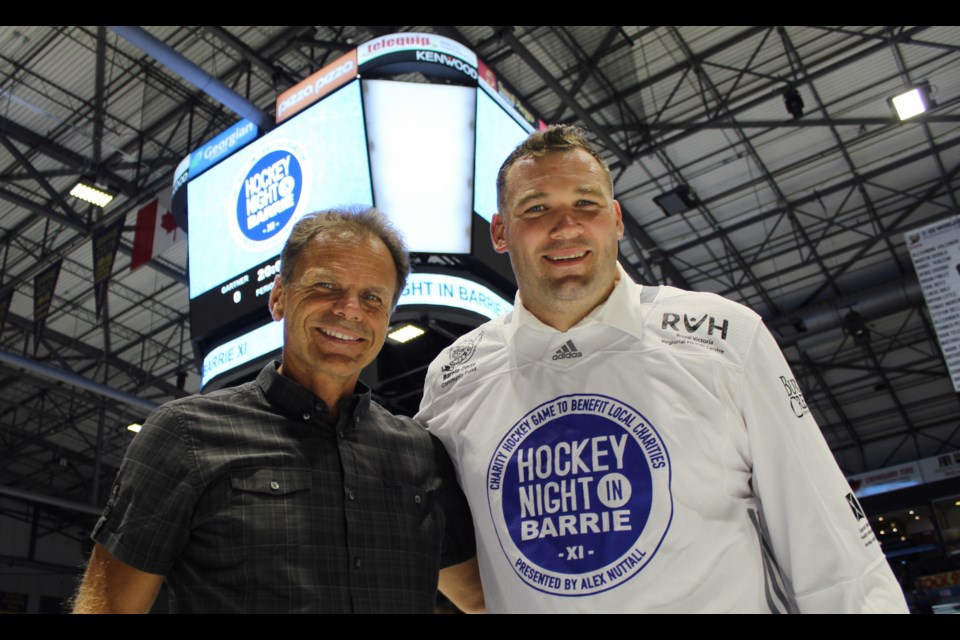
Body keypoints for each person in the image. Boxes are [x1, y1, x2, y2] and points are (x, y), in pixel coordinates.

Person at [416, 125, 909, 613]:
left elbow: (830, 548)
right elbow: (440, 543)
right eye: (537, 208)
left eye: (586, 203)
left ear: (616, 219)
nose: (566, 225)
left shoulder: (724, 338)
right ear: (500, 231)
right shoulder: (453, 378)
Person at [71, 207, 476, 613]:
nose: (350, 309)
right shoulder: (184, 435)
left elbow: (480, 597)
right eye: (326, 285)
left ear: (387, 316)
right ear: (279, 297)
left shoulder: (421, 454)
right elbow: (107, 608)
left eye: (373, 297)